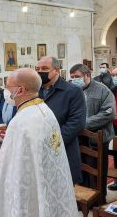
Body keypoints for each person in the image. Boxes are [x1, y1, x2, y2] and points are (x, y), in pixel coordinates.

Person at [0, 68, 78, 217]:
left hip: (30, 187)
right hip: (51, 182)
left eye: (8, 87)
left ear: (20, 90)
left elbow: (12, 168)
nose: (5, 91)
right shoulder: (45, 110)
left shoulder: (21, 121)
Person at [70, 64, 115, 202]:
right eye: (72, 77)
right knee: (81, 171)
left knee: (97, 172)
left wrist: (84, 124)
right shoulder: (72, 91)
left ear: (87, 75)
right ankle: (84, 200)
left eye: (77, 77)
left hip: (98, 139)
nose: (74, 80)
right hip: (78, 138)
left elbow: (109, 113)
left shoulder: (102, 90)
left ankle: (99, 200)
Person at [38, 56, 86, 184]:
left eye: (45, 68)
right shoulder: (36, 91)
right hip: (40, 150)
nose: (40, 72)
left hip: (63, 149)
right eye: (38, 68)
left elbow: (76, 123)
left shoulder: (72, 91)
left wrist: (52, 143)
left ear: (56, 70)